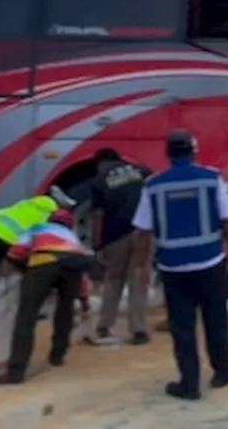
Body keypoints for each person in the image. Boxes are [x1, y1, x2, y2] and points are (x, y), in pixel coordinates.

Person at [132, 129, 228, 401]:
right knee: (215, 322)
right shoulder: (211, 178)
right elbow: (227, 218)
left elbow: (143, 231)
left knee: (182, 328)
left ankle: (189, 384)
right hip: (210, 264)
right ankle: (222, 371)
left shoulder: (153, 185)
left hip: (174, 269)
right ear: (193, 151)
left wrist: (142, 267)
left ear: (168, 153)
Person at [0, 208, 93, 385]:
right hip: (73, 267)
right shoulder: (73, 237)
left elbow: (16, 252)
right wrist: (84, 300)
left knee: (26, 316)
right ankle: (58, 355)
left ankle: (16, 371)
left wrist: (8, 278)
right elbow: (82, 277)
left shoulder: (38, 227)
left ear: (50, 220)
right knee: (65, 310)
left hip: (45, 263)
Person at [82, 147, 153, 346]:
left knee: (113, 280)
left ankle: (104, 325)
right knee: (138, 281)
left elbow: (98, 215)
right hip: (143, 233)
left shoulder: (98, 181)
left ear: (101, 164)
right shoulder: (143, 171)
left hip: (115, 236)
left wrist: (97, 246)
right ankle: (139, 330)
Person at [0, 193, 61, 323]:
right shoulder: (47, 216)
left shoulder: (28, 203)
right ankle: (27, 313)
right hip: (7, 238)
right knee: (30, 275)